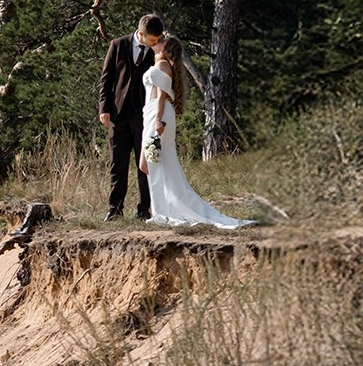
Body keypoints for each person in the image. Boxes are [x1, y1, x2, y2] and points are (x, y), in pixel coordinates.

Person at [138, 34, 254, 229]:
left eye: (162, 40)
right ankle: (167, 205)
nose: (158, 41)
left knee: (155, 161)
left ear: (167, 48)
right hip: (151, 114)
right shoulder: (160, 63)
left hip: (158, 114)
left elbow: (161, 96)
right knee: (147, 163)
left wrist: (158, 120)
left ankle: (168, 209)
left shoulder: (162, 66)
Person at [99, 13, 163, 220]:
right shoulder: (117, 45)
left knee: (144, 164)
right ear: (141, 34)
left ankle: (144, 210)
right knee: (117, 164)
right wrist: (104, 108)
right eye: (153, 40)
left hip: (144, 115)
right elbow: (106, 80)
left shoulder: (156, 51)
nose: (157, 43)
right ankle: (114, 210)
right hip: (118, 115)